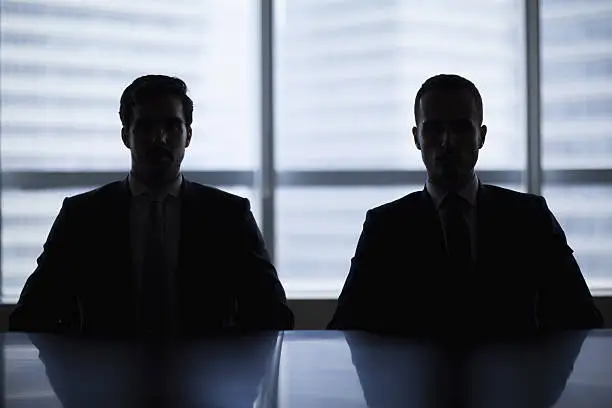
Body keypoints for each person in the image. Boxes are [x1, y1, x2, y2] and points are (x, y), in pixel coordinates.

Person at [10, 75, 294, 335]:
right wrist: (80, 364)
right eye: (146, 126)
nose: (160, 138)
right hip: (106, 384)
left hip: (206, 383)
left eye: (172, 125)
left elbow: (273, 313)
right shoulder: (83, 216)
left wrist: (224, 368)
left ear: (188, 136)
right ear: (126, 136)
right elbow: (32, 313)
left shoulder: (228, 216)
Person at [328, 74, 602, 333]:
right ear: (417, 139)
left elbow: (581, 317)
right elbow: (346, 327)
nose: (447, 142)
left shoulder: (530, 218)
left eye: (460, 127)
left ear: (481, 136)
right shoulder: (384, 228)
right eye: (434, 128)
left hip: (513, 382)